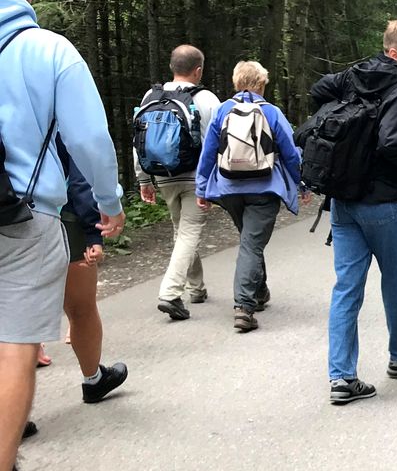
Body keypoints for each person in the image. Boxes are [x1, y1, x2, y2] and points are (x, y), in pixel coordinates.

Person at [0, 0, 124, 471]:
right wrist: (109, 203)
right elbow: (90, 140)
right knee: (16, 343)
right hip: (21, 218)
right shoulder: (47, 49)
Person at [309, 20, 397, 405]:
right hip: (384, 201)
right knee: (396, 282)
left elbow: (319, 91)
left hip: (343, 199)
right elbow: (393, 144)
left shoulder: (353, 76)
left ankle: (342, 377)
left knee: (346, 287)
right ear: (394, 53)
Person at [195, 60, 302, 333]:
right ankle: (244, 307)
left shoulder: (223, 110)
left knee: (249, 241)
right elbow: (290, 153)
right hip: (264, 189)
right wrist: (302, 184)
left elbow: (209, 152)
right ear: (262, 84)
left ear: (236, 82)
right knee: (251, 245)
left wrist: (202, 187)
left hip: (229, 188)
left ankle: (259, 291)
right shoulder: (272, 112)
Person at [136, 45, 222, 322]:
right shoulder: (207, 99)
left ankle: (196, 289)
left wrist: (143, 179)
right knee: (188, 232)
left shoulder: (152, 96)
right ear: (198, 70)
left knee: (182, 231)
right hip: (195, 175)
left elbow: (138, 141)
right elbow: (217, 143)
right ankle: (170, 293)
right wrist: (211, 181)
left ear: (172, 67)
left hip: (162, 175)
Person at [59, 143, 128, 403]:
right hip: (56, 216)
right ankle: (93, 379)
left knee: (14, 314)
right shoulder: (50, 101)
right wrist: (92, 231)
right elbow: (84, 161)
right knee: (81, 308)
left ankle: (12, 407)